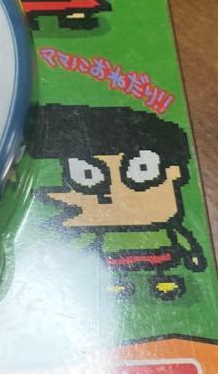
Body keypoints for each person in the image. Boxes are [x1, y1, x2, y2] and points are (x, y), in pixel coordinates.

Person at [30, 104, 206, 300]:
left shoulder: (165, 227)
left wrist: (193, 254)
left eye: (143, 170)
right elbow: (81, 243)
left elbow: (183, 239)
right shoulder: (94, 229)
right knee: (115, 280)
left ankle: (163, 282)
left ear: (175, 173)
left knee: (161, 277)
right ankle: (119, 284)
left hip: (160, 255)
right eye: (88, 175)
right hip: (115, 260)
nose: (116, 192)